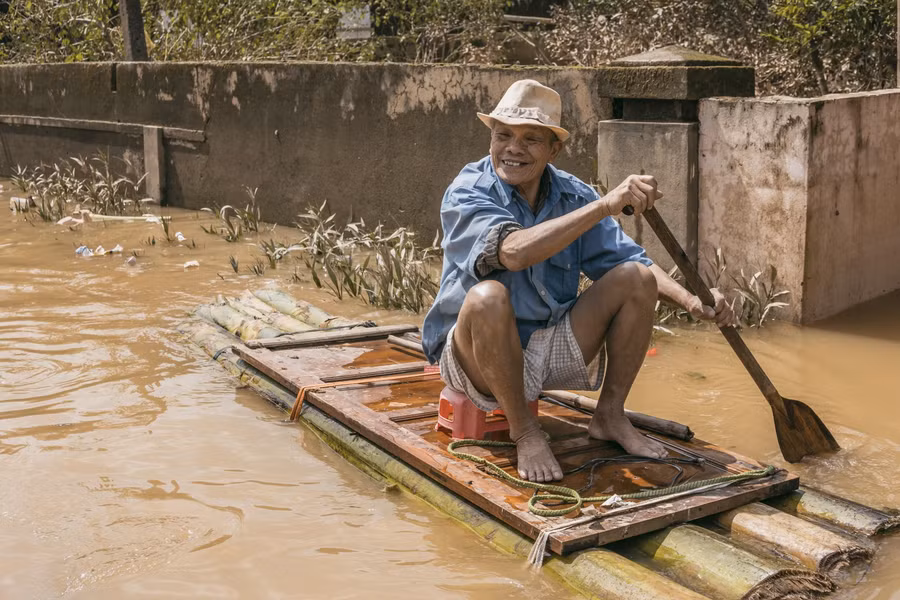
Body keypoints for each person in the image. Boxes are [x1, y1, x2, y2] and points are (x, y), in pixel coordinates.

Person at [422, 79, 735, 484]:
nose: (513, 149)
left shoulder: (573, 194)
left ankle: (609, 416)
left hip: (547, 346)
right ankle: (525, 431)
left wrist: (692, 301)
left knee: (636, 277)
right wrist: (604, 206)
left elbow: (631, 261)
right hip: (476, 359)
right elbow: (513, 252)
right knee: (487, 297)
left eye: (530, 139)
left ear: (554, 150)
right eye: (503, 136)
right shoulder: (469, 189)